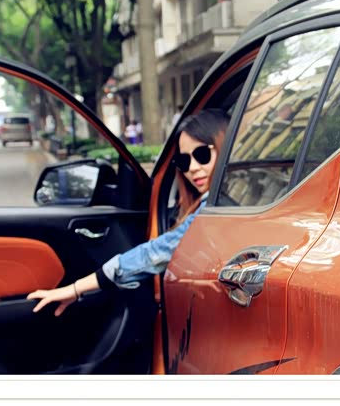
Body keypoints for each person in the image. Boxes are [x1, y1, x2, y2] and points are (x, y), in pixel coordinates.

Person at [28, 109, 230, 316]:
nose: (193, 168)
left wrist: (75, 288)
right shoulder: (226, 202)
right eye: (184, 161)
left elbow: (154, 254)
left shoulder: (213, 210)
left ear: (225, 149)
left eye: (202, 155)